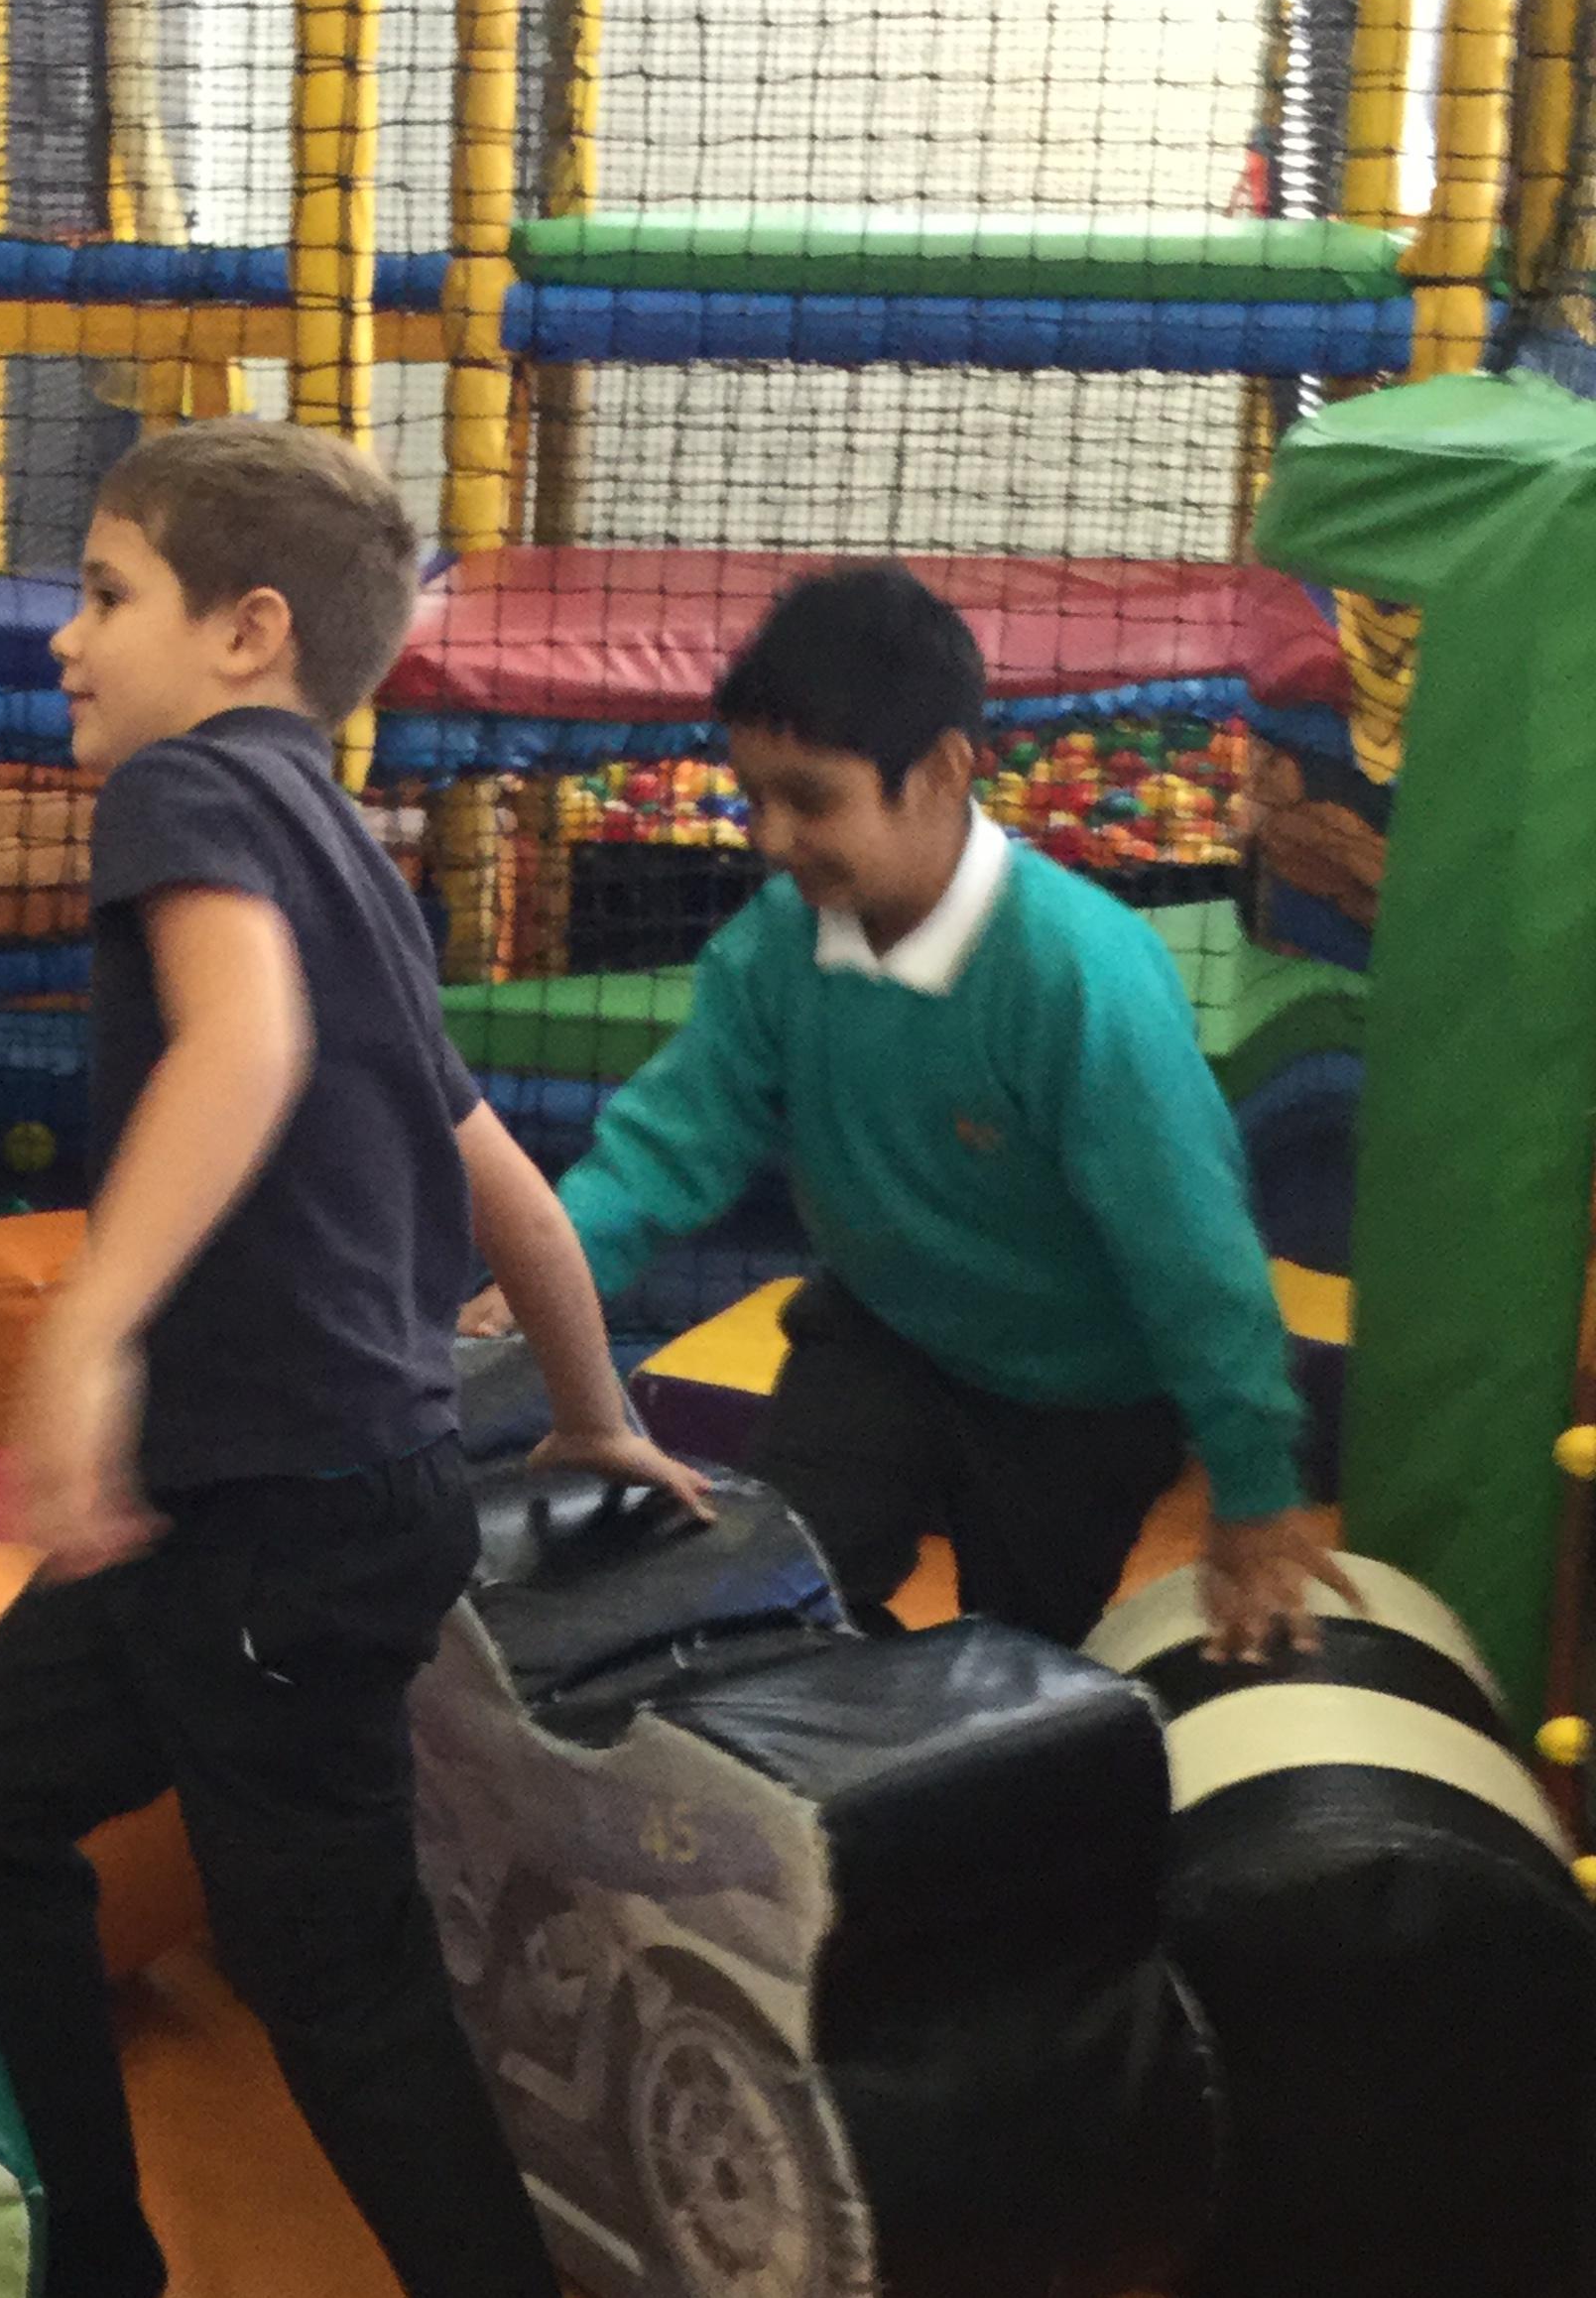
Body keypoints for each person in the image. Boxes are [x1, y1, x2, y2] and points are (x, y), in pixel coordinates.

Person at [0, 419, 708, 2298]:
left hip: (278, 1518)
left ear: (246, 633)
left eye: (103, 594)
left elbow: (242, 1043)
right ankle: (82, 2228)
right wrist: (594, 1408)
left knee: (330, 1961)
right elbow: (501, 1177)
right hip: (272, 1510)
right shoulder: (346, 842)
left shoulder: (187, 791)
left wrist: (89, 1331)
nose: (64, 637)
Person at [465, 561, 1349, 1660]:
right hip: (883, 1334)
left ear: (939, 772)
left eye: (811, 800)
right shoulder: (780, 945)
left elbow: (1191, 1247)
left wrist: (1254, 1487)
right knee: (771, 1583)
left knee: (1021, 1655)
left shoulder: (1075, 975)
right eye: (755, 798)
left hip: (1077, 1394)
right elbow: (671, 1138)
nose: (771, 838)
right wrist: (552, 1270)